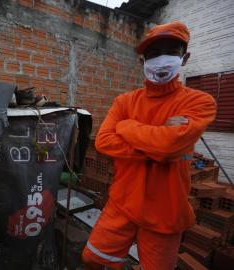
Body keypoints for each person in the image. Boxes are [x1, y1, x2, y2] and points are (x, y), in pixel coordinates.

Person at [82, 21, 216, 270]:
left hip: (166, 210)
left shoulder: (200, 102)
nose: (162, 59)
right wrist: (159, 141)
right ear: (142, 61)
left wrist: (126, 127)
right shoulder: (125, 101)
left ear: (184, 58)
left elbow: (169, 147)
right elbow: (103, 142)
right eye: (154, 53)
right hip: (122, 202)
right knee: (93, 258)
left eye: (171, 52)